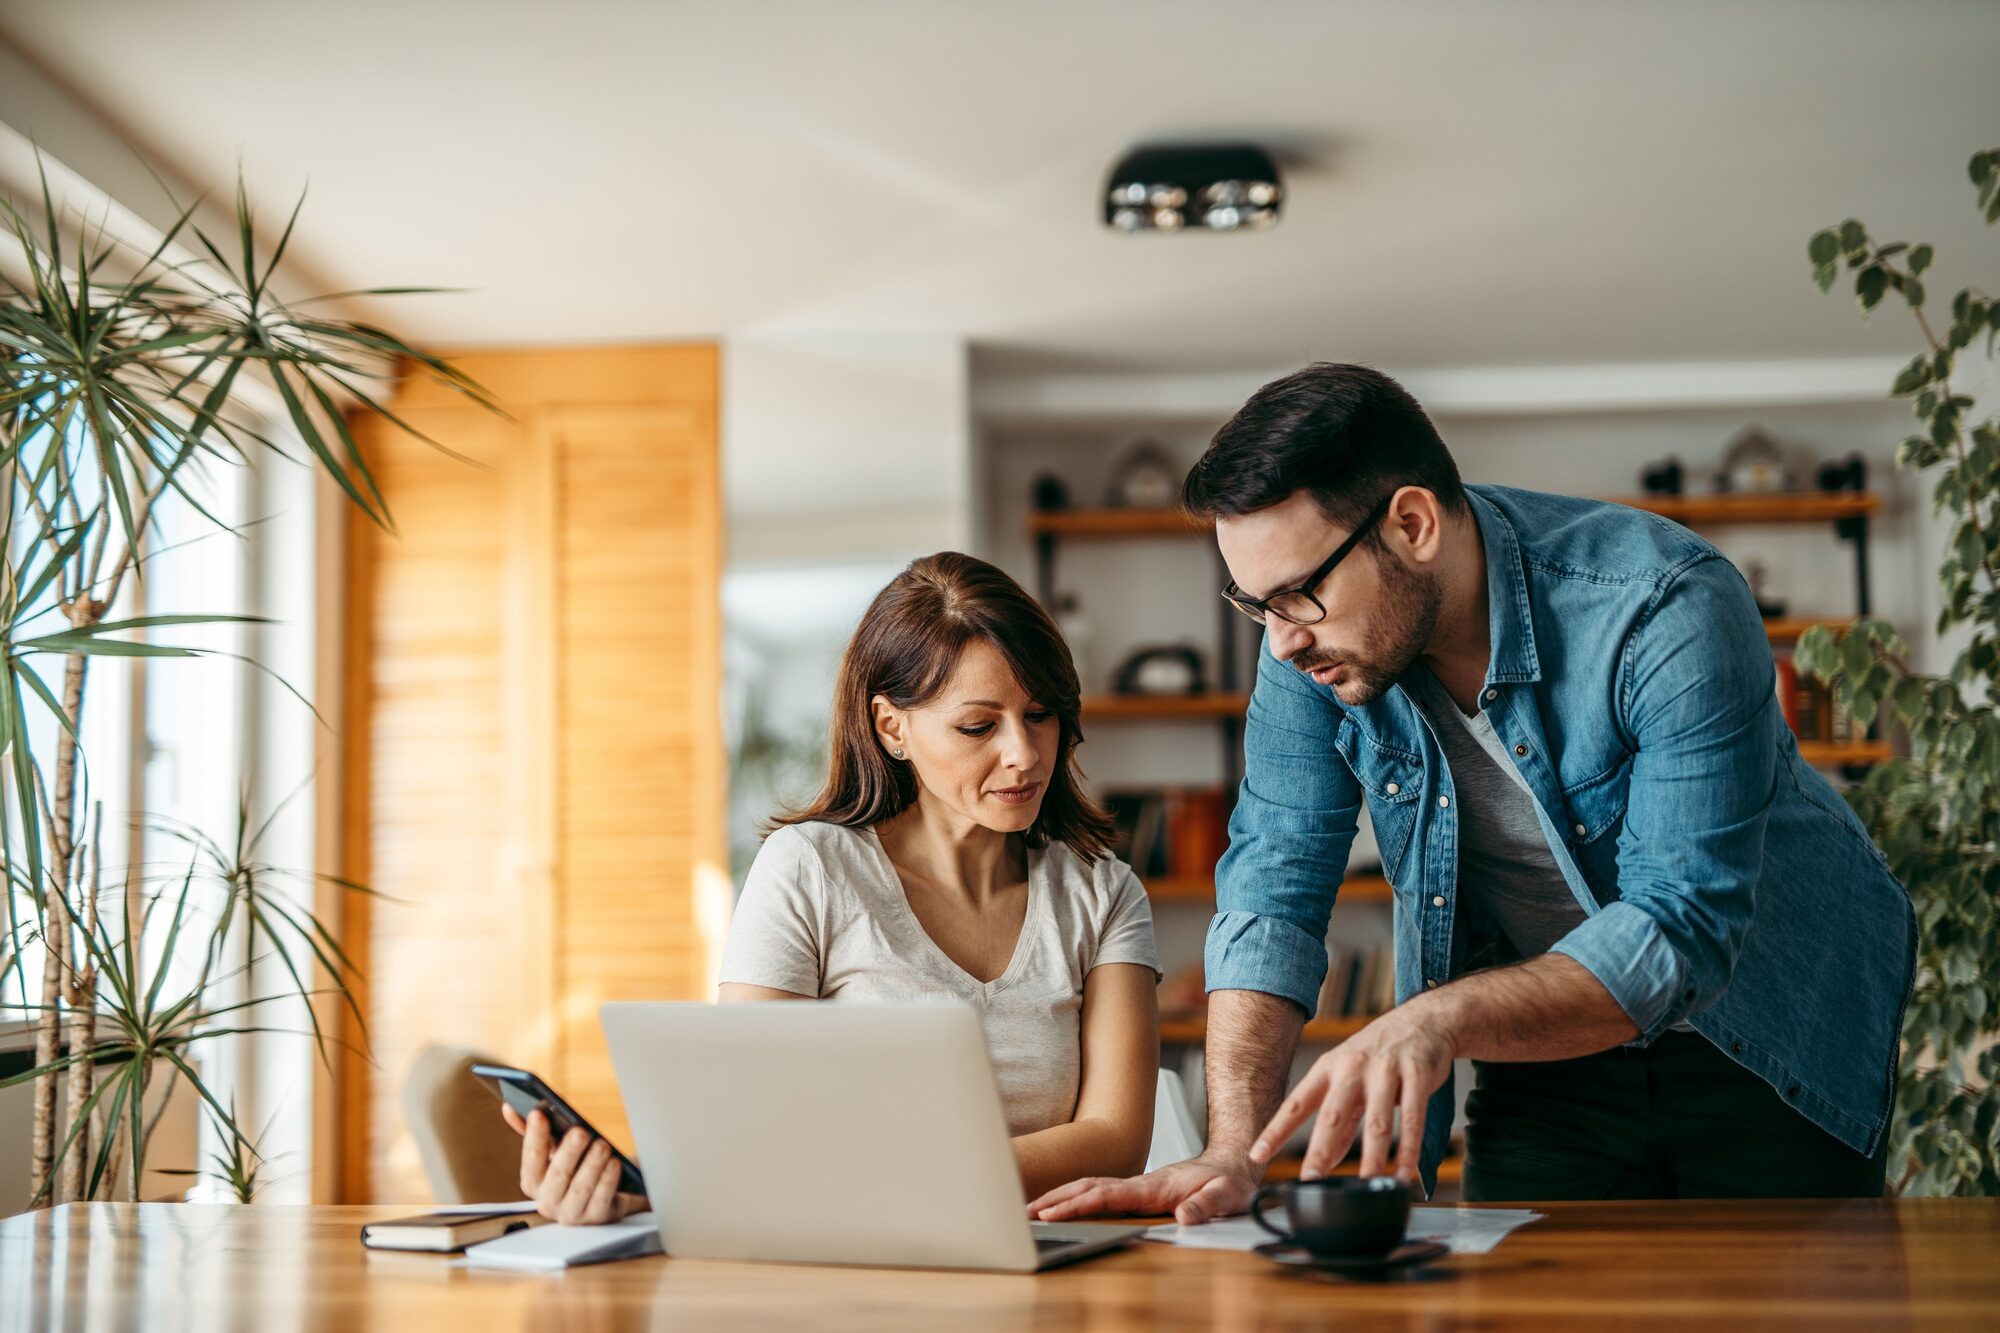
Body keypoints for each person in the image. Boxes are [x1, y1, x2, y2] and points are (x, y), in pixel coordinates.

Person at [1030, 363, 1914, 1224]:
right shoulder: (1304, 646)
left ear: (1412, 523)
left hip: (1767, 1030)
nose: (1282, 642)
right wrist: (1232, 1149)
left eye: (1298, 594)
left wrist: (1438, 1016)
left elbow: (1679, 925)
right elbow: (1273, 887)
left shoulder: (1663, 607)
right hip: (1546, 1046)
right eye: (1255, 604)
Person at [506, 551, 1160, 1223]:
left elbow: (1116, 1140)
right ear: (891, 726)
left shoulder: (1102, 893)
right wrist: (642, 1191)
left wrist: (879, 1171)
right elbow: (746, 1125)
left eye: (1041, 713)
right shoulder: (809, 870)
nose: (1024, 752)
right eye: (978, 725)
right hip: (851, 1262)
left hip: (1050, 1261)